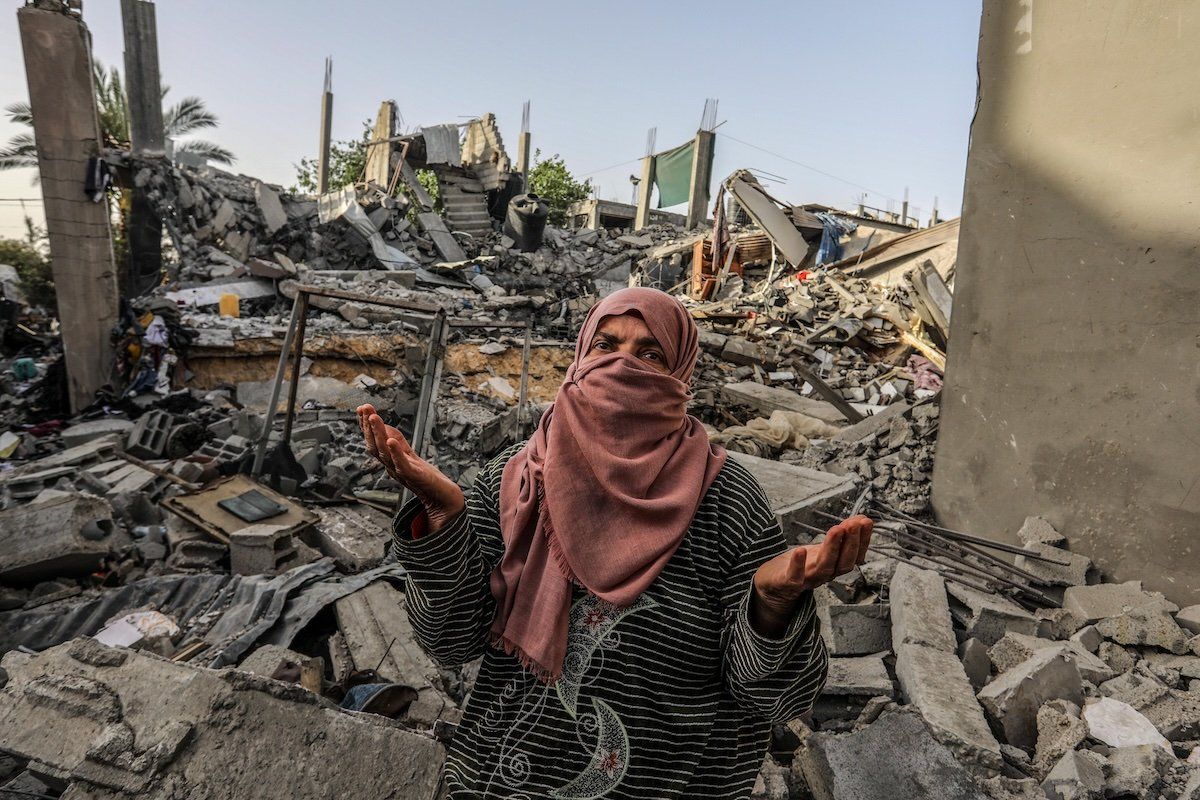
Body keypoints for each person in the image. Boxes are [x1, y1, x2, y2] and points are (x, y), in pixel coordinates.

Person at [357, 287, 873, 800]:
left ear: (680, 374)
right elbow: (450, 643)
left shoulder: (726, 500)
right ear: (581, 355)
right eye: (607, 345)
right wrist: (444, 519)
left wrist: (771, 605)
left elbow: (778, 698)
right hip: (502, 781)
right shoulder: (515, 480)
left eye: (650, 354)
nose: (623, 367)